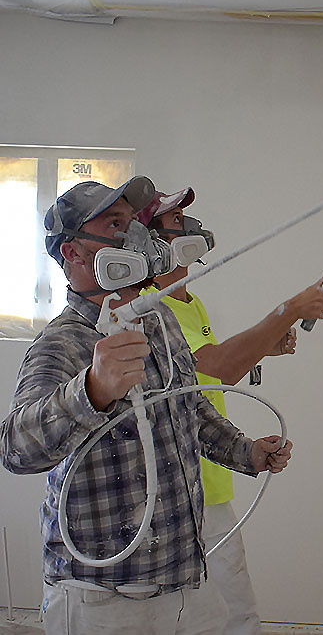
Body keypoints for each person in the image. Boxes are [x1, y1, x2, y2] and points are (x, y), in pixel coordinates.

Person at [0, 176, 292, 635]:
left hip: (186, 581)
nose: (133, 235)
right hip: (102, 598)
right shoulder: (62, 344)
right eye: (114, 224)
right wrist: (91, 390)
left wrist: (246, 452)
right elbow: (16, 449)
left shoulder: (159, 322)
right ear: (73, 253)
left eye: (132, 222)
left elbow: (190, 408)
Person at [136, 187, 323, 635]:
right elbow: (218, 369)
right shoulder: (148, 307)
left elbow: (203, 374)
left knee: (233, 612)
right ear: (149, 242)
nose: (189, 227)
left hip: (212, 478)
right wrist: (288, 312)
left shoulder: (190, 301)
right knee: (220, 616)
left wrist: (265, 348)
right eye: (175, 223)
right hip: (182, 486)